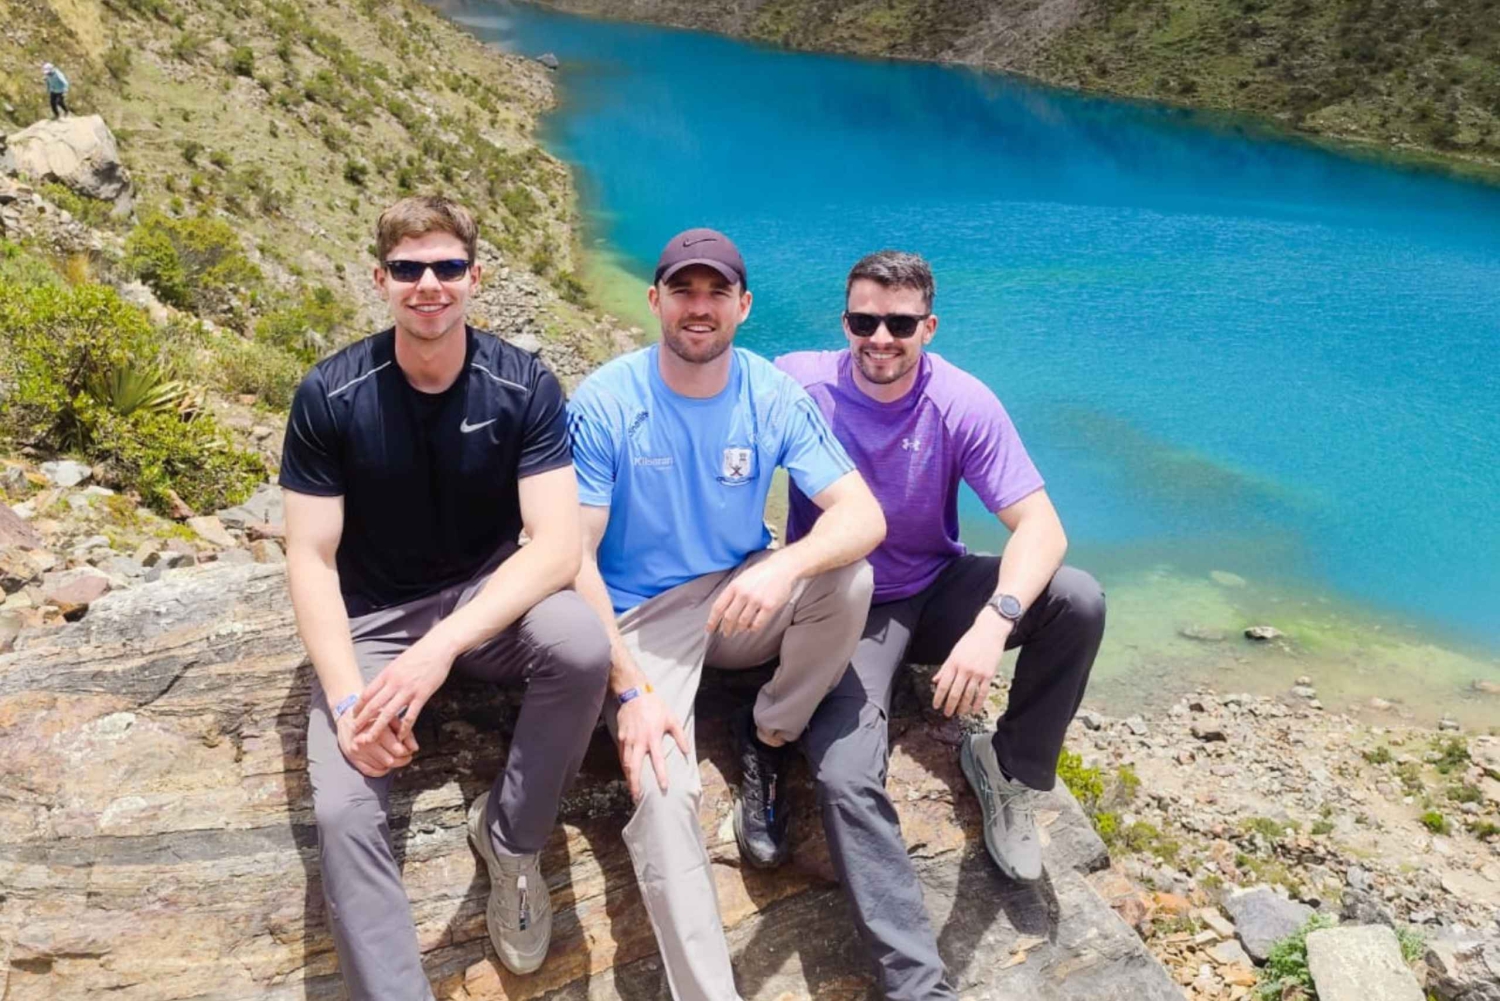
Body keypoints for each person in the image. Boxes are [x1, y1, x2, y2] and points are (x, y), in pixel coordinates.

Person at [279, 195, 611, 999]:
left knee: (581, 644)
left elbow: (557, 546)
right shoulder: (331, 394)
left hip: (487, 601)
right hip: (374, 619)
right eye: (408, 269)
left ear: (474, 276)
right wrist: (349, 698)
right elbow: (311, 558)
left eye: (447, 267)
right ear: (380, 280)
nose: (428, 285)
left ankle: (512, 838)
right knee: (344, 810)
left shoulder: (521, 384)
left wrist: (442, 647)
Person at [774, 250, 1105, 1000]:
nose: (880, 339)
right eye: (864, 321)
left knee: (1077, 599)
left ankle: (1007, 769)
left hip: (935, 587)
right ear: (843, 322)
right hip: (846, 606)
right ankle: (917, 985)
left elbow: (1042, 526)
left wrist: (992, 623)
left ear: (929, 327)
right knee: (845, 774)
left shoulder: (960, 400)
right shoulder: (799, 385)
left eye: (900, 324)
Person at [567, 228, 886, 1000]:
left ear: (744, 306)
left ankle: (769, 732)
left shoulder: (771, 394)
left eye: (718, 292)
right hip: (641, 619)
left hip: (738, 597)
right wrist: (629, 688)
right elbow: (572, 558)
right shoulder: (607, 400)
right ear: (656, 301)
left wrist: (783, 565)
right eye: (684, 290)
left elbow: (863, 516)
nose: (699, 307)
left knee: (849, 580)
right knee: (664, 792)